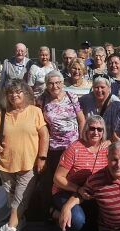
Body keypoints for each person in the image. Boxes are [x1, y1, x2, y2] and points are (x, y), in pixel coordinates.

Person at [0, 79, 49, 231]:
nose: (14, 95)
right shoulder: (1, 113)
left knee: (20, 198)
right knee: (11, 198)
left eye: (18, 92)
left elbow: (44, 135)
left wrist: (42, 158)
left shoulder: (35, 111)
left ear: (25, 94)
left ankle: (10, 228)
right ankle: (19, 222)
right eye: (10, 93)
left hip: (28, 163)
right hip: (5, 162)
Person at [50, 115, 109, 231]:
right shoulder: (74, 148)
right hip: (67, 190)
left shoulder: (106, 149)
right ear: (86, 130)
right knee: (77, 220)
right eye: (92, 128)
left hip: (88, 193)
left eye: (99, 129)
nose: (96, 132)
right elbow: (58, 178)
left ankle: (54, 213)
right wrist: (78, 188)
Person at [36, 70, 86, 220]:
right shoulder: (41, 101)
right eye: (51, 83)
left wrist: (82, 142)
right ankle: (53, 212)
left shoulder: (71, 97)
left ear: (63, 83)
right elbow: (39, 125)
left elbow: (82, 120)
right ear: (46, 85)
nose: (54, 86)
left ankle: (73, 212)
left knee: (73, 180)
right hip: (54, 149)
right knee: (53, 182)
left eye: (58, 83)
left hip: (73, 147)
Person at [79, 74, 120, 140]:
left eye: (102, 87)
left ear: (109, 88)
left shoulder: (116, 103)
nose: (99, 90)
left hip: (109, 139)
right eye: (96, 87)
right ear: (92, 88)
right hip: (90, 139)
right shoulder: (84, 100)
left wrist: (110, 141)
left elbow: (118, 128)